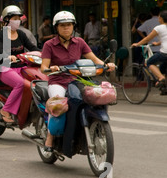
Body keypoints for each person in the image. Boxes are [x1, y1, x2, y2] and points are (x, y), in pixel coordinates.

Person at [40, 11, 115, 152]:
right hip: (58, 81)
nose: (66, 28)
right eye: (62, 25)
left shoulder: (79, 42)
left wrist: (106, 65)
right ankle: (50, 137)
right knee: (58, 102)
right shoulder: (49, 45)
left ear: (73, 26)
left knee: (96, 96)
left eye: (69, 25)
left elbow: (94, 59)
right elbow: (43, 67)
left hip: (78, 80)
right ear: (56, 27)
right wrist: (51, 69)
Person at [0, 5, 40, 123]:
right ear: (6, 20)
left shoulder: (21, 34)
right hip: (4, 67)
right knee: (20, 84)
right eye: (14, 18)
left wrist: (43, 54)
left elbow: (32, 47)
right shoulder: (0, 35)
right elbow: (0, 49)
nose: (17, 21)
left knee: (35, 83)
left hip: (21, 67)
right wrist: (8, 56)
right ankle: (6, 110)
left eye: (18, 18)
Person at [132, 10, 167, 89]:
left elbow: (147, 39)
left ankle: (161, 79)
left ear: (161, 18)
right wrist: (158, 43)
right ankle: (164, 88)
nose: (158, 19)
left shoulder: (158, 28)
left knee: (149, 62)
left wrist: (137, 44)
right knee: (162, 69)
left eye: (159, 17)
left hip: (164, 53)